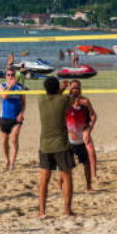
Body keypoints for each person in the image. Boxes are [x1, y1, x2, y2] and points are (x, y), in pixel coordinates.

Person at [38, 76, 75, 217]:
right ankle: (67, 210)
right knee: (67, 178)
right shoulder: (63, 100)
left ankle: (42, 211)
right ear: (57, 88)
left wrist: (61, 89)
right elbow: (72, 98)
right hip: (61, 145)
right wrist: (70, 89)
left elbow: (55, 96)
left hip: (45, 145)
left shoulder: (40, 100)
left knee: (44, 181)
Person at [65, 80, 98, 191]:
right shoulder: (65, 101)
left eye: (77, 87)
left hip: (83, 132)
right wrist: (68, 131)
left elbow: (93, 116)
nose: (75, 88)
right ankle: (60, 185)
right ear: (69, 88)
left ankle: (92, 178)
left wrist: (89, 129)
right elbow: (58, 119)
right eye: (73, 86)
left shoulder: (85, 101)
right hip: (69, 135)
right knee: (65, 165)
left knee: (91, 153)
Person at [0, 69, 26, 170]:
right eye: (8, 75)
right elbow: (4, 96)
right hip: (4, 117)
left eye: (12, 75)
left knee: (14, 139)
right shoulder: (1, 86)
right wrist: (10, 85)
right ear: (6, 76)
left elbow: (23, 102)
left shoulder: (20, 87)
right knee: (5, 140)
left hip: (16, 118)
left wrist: (21, 113)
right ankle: (7, 160)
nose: (10, 76)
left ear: (15, 76)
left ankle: (12, 162)